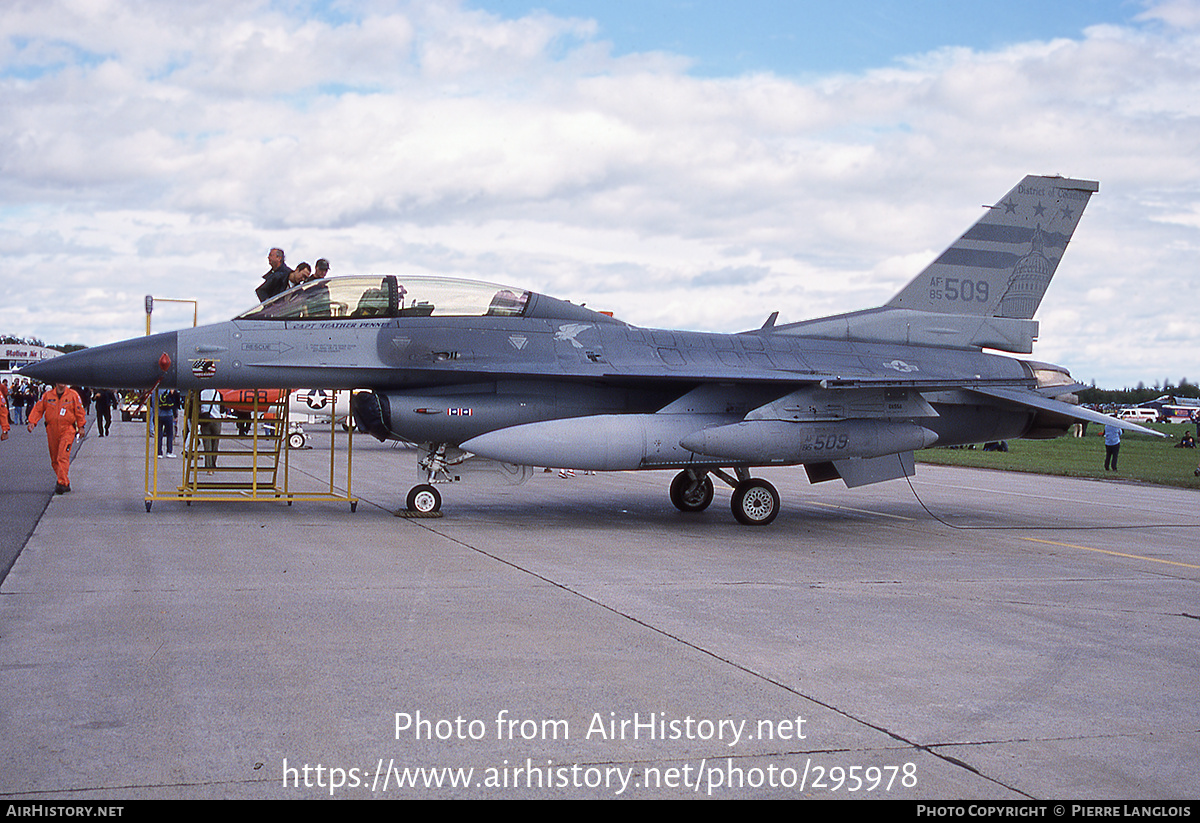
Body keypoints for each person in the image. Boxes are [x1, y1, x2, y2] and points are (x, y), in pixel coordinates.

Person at [27, 382, 87, 493]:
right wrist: (32, 422)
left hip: (67, 430)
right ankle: (65, 481)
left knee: (62, 457)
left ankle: (61, 483)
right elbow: (38, 409)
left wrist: (81, 426)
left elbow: (79, 411)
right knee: (54, 460)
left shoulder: (73, 395)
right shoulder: (47, 396)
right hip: (52, 430)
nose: (62, 383)